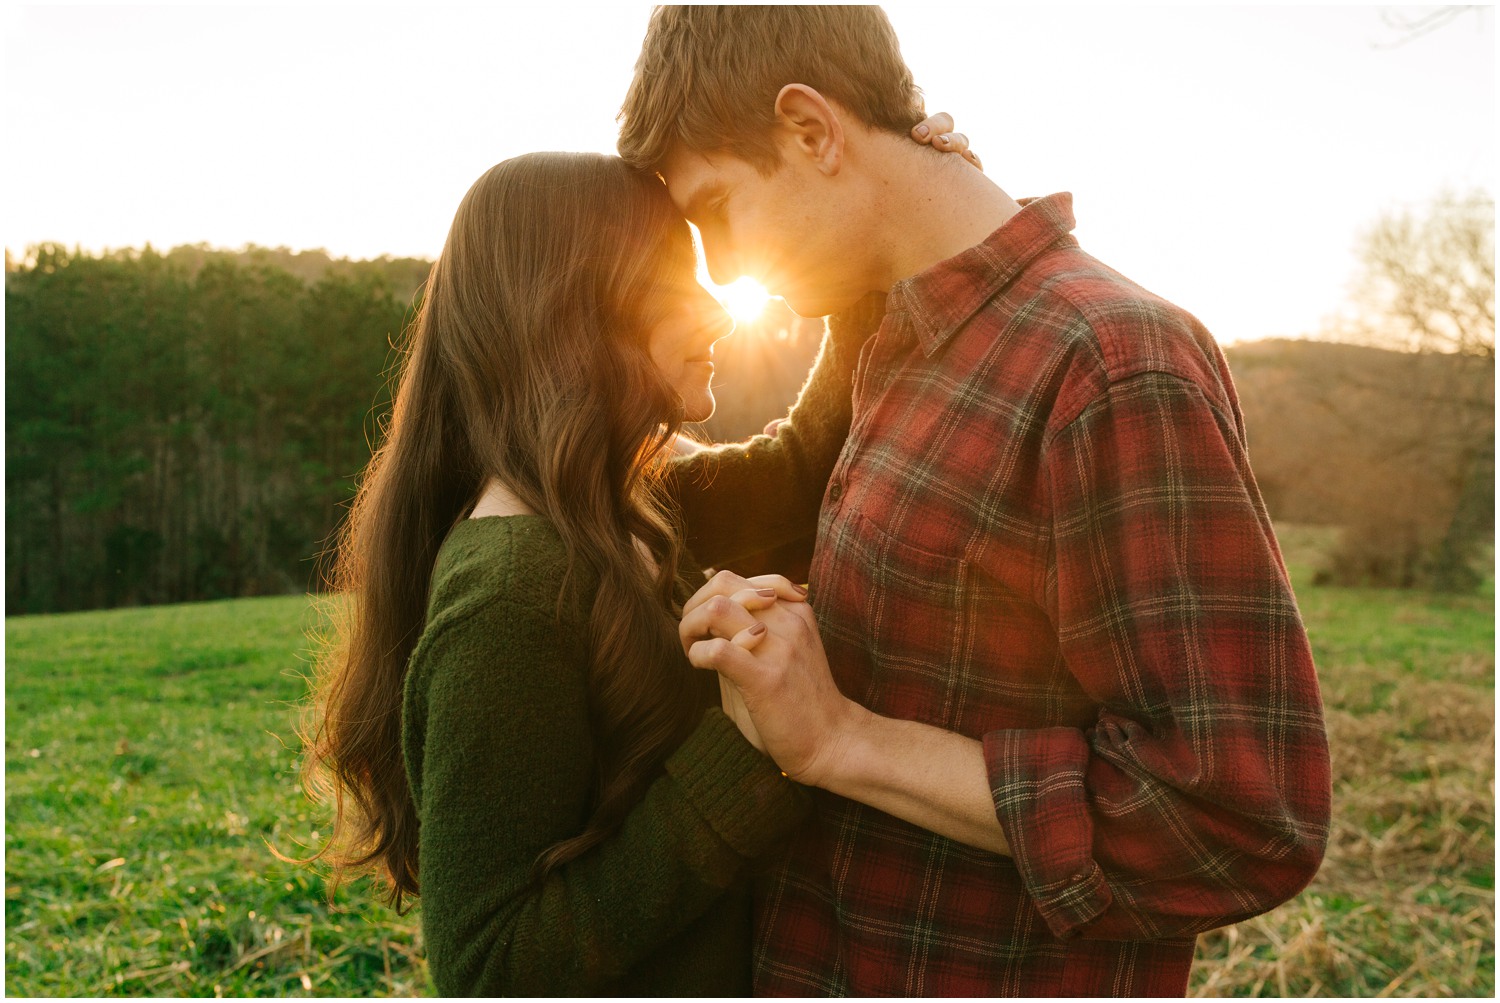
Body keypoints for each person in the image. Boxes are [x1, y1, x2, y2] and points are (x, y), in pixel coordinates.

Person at [617, 6, 1333, 997]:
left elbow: (1235, 818)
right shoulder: (902, 346)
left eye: (717, 214)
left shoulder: (1113, 365)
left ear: (811, 130)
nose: (723, 268)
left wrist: (844, 740)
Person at [301, 126, 971, 995]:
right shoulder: (511, 598)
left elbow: (805, 469)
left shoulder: (625, 511)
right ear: (576, 308)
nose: (719, 309)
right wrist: (745, 749)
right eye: (676, 284)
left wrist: (886, 211)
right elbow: (489, 967)